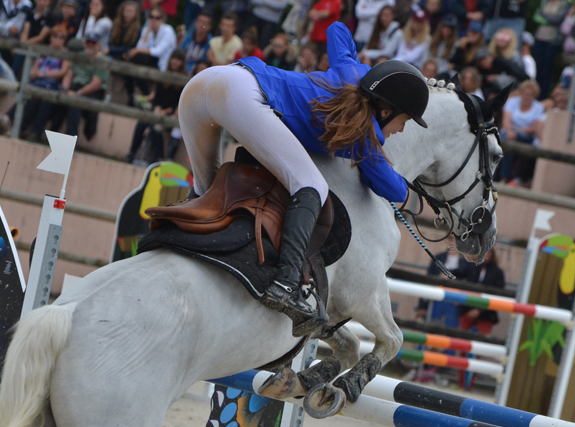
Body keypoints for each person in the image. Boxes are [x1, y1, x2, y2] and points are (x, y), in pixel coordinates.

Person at [178, 22, 429, 334]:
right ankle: (285, 283)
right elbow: (389, 185)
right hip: (242, 95)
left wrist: (362, 71)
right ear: (387, 109)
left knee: (206, 194)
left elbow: (338, 29)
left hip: (203, 84)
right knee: (311, 186)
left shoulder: (348, 71)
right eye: (404, 120)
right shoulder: (364, 133)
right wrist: (413, 197)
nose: (402, 130)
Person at [128, 49, 186, 162]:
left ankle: (159, 158)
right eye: (174, 58)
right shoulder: (163, 76)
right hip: (157, 111)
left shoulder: (184, 80)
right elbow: (156, 97)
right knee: (141, 124)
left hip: (171, 114)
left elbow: (179, 104)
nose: (175, 62)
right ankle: (131, 153)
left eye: (179, 60)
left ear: (183, 63)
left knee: (154, 128)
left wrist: (165, 111)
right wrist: (156, 108)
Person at [61, 29, 110, 140]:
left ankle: (70, 138)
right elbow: (69, 74)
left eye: (94, 42)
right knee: (54, 95)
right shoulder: (80, 55)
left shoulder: (102, 60)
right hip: (76, 86)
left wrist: (77, 93)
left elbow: (95, 84)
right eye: (88, 42)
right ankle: (39, 132)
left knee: (76, 101)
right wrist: (64, 89)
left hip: (93, 92)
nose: (90, 45)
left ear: (99, 44)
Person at [498, 79, 545, 183]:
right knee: (509, 139)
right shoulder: (512, 102)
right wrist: (511, 131)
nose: (526, 96)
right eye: (525, 93)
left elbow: (534, 128)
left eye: (530, 94)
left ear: (534, 95)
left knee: (510, 140)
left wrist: (516, 131)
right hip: (509, 132)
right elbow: (506, 121)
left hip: (527, 136)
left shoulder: (538, 107)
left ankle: (504, 177)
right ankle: (505, 177)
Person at [531, 0, 570, 98]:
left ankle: (542, 97)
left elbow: (558, 19)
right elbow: (536, 17)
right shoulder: (544, 2)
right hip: (539, 38)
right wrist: (549, 20)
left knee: (547, 71)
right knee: (537, 68)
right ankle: (533, 94)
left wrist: (543, 18)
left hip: (553, 41)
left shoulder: (565, 3)